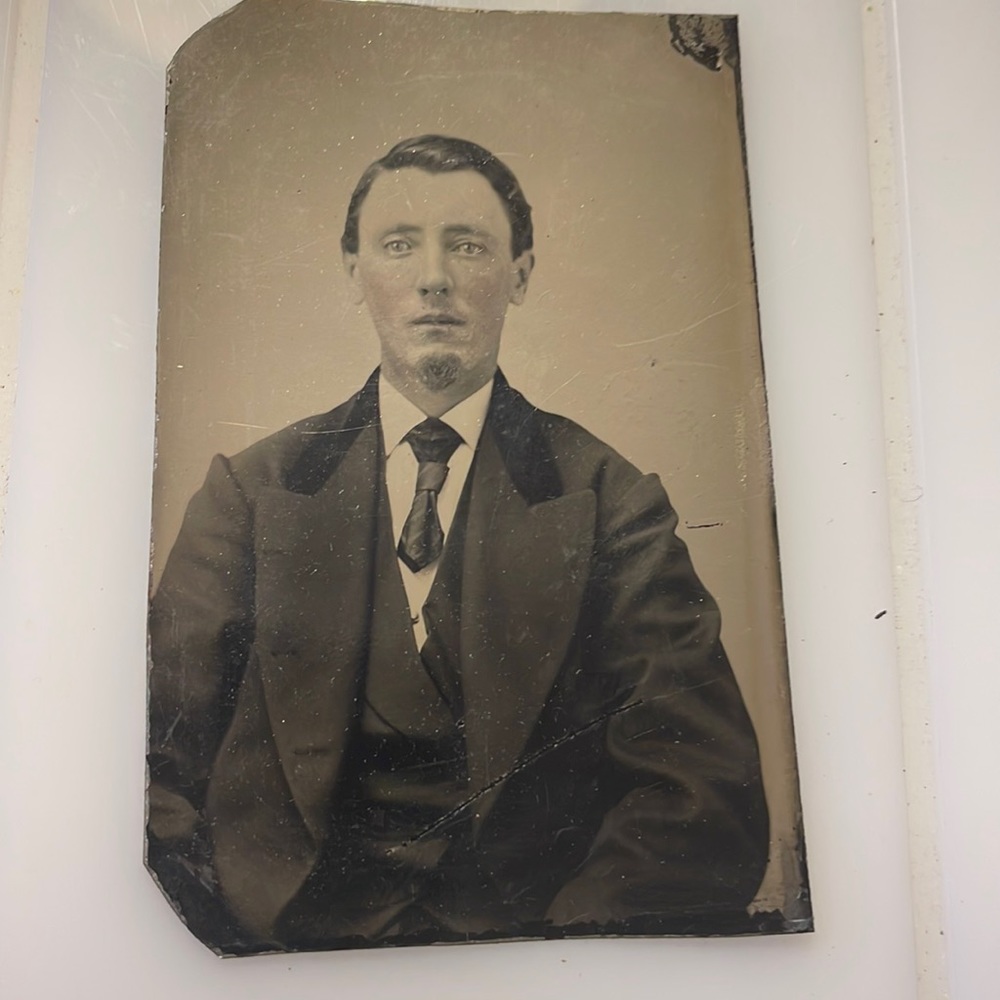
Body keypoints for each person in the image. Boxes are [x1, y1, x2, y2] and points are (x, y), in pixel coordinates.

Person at [146, 135, 769, 955]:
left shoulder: (609, 499)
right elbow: (146, 766)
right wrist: (216, 948)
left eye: (468, 245)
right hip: (282, 952)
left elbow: (701, 791)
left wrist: (557, 961)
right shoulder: (253, 492)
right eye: (399, 244)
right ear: (353, 272)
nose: (433, 276)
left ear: (519, 274)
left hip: (528, 947)